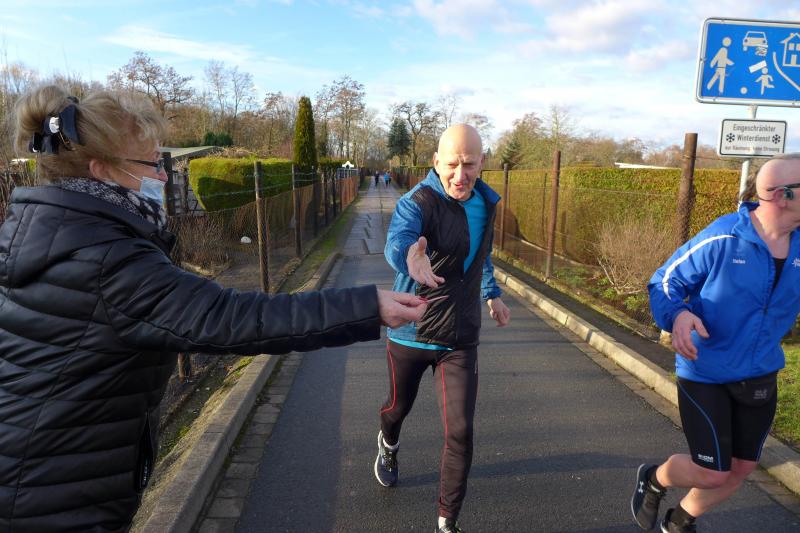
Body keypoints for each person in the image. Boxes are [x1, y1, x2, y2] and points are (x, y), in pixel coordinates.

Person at [0, 85, 427, 532]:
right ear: (101, 170)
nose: (163, 176)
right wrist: (367, 305)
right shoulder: (107, 258)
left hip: (38, 480)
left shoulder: (53, 236)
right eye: (151, 164)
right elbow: (231, 318)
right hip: (52, 504)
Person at [632, 153, 800, 533]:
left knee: (741, 467)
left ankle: (680, 521)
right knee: (712, 471)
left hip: (760, 371)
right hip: (706, 370)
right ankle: (654, 479)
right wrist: (678, 315)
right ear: (783, 195)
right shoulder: (725, 236)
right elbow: (664, 281)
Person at [374, 124, 511, 533]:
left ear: (482, 163)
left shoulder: (485, 202)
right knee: (396, 409)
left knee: (461, 432)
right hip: (411, 331)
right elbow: (398, 239)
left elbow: (480, 252)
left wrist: (491, 293)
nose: (460, 175)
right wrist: (410, 257)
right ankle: (388, 442)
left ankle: (447, 522)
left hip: (459, 335)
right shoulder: (417, 202)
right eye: (452, 164)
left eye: (469, 165)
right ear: (436, 162)